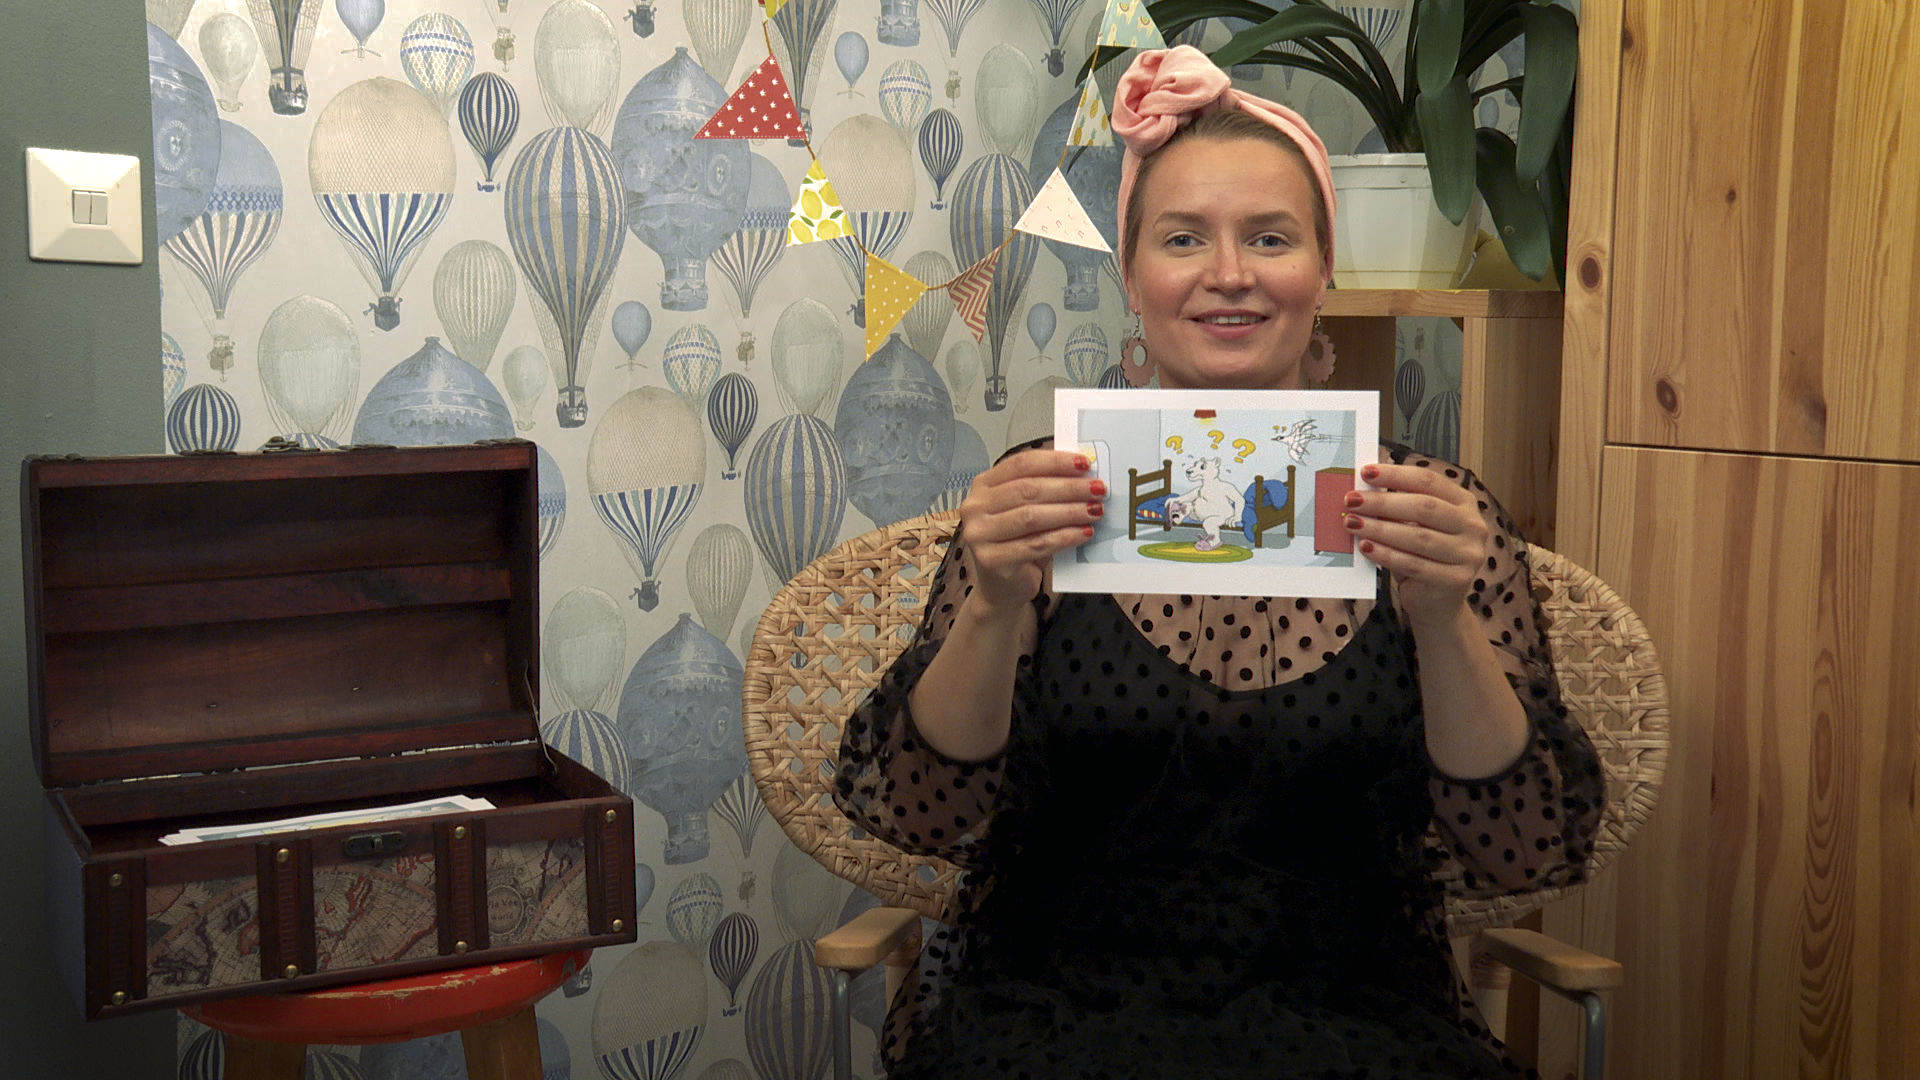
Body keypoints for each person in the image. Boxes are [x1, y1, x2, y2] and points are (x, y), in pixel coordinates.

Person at [834, 45, 1604, 1080]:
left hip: (1354, 1013)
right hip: (1056, 1008)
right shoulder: (1044, 498)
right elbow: (928, 813)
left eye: (1271, 237)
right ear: (1133, 277)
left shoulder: (1427, 515)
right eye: (1183, 237)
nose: (1230, 273)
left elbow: (1521, 848)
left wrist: (1442, 620)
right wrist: (991, 605)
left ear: (1324, 272)